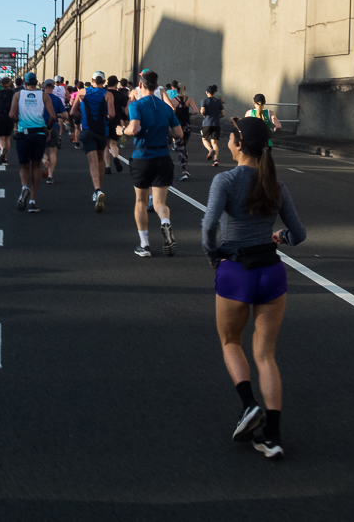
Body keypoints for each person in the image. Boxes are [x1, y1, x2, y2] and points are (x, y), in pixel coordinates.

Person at [202, 115, 305, 460]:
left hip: (236, 269)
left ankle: (249, 406)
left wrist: (215, 258)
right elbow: (299, 234)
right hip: (272, 271)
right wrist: (281, 237)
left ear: (239, 144)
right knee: (266, 355)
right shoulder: (275, 183)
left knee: (231, 341)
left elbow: (209, 227)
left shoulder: (225, 180)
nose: (229, 140)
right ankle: (273, 436)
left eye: (232, 136)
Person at [125, 70, 182, 258]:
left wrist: (121, 130)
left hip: (142, 156)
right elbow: (179, 133)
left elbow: (134, 128)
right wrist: (165, 132)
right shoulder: (166, 107)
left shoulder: (136, 105)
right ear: (157, 87)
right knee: (159, 202)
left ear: (140, 86)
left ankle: (145, 245)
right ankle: (165, 221)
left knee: (141, 201)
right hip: (163, 157)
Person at [10, 72, 55, 212]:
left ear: (25, 82)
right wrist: (47, 128)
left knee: (24, 166)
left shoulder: (18, 95)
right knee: (36, 166)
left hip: (24, 133)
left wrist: (19, 122)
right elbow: (53, 116)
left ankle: (24, 187)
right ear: (37, 82)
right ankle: (33, 201)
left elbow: (11, 114)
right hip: (39, 133)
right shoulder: (43, 95)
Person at [71, 72, 115, 212]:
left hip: (87, 131)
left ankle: (97, 190)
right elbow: (112, 114)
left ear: (92, 80)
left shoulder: (82, 92)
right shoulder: (108, 94)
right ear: (103, 81)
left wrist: (83, 117)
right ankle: (99, 190)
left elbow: (72, 112)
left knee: (92, 162)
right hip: (102, 131)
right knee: (101, 159)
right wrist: (105, 118)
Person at [42, 80, 67, 184]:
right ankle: (50, 175)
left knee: (43, 150)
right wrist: (58, 115)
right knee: (53, 152)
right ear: (53, 88)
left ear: (43, 87)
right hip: (54, 126)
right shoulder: (57, 99)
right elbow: (66, 115)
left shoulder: (40, 98)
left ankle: (44, 161)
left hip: (41, 126)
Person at [173, 83, 200, 181]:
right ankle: (185, 167)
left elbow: (172, 111)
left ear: (176, 90)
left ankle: (184, 170)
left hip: (178, 126)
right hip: (187, 126)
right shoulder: (189, 99)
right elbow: (196, 111)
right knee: (184, 146)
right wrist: (189, 114)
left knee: (181, 148)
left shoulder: (173, 100)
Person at [0, 78, 16, 164]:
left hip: (0, 116)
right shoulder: (13, 94)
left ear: (1, 84)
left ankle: (2, 149)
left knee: (0, 137)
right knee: (7, 138)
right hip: (9, 116)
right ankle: (5, 159)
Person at [201, 85, 225, 166]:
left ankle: (210, 150)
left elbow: (202, 111)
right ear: (214, 93)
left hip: (207, 123)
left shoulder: (204, 101)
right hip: (216, 123)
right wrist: (217, 117)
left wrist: (204, 114)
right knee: (214, 142)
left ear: (207, 92)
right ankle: (216, 160)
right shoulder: (218, 101)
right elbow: (223, 114)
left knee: (204, 139)